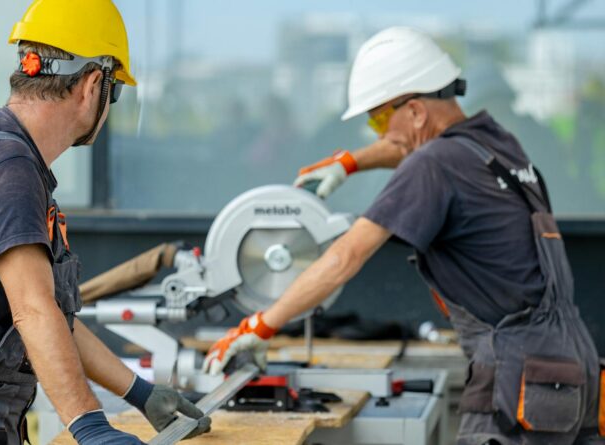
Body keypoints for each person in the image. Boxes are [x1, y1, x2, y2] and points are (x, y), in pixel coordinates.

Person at [204, 26, 602, 445]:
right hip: (574, 368)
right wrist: (350, 162)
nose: (377, 134)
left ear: (415, 110)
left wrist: (260, 326)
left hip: (518, 380)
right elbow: (409, 146)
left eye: (378, 118)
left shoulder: (433, 165)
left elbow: (345, 258)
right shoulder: (496, 143)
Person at [0, 1, 210, 444]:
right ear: (91, 85)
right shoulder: (7, 169)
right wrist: (91, 426)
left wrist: (139, 393)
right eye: (115, 91)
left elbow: (47, 314)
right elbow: (33, 310)